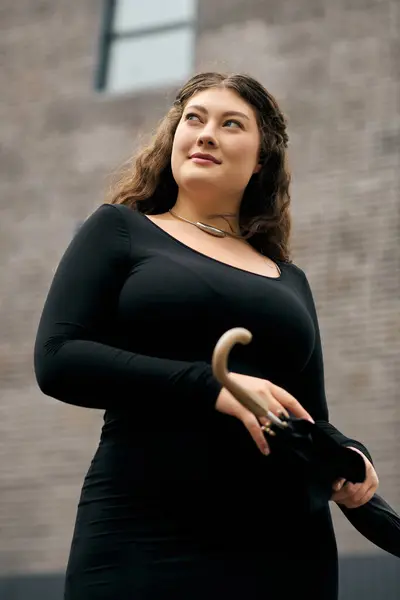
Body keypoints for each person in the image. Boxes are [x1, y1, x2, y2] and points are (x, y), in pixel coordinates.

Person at [34, 72, 379, 600]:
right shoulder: (119, 230)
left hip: (284, 545)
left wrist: (348, 454)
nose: (206, 133)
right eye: (193, 119)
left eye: (231, 124)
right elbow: (59, 359)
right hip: (144, 528)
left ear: (261, 158)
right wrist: (212, 387)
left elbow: (308, 414)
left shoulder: (289, 278)